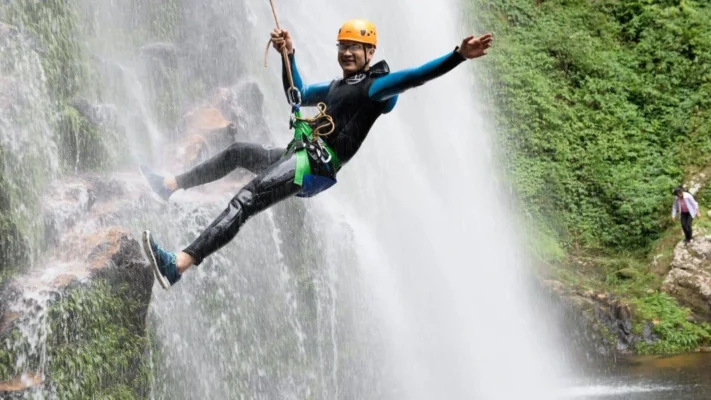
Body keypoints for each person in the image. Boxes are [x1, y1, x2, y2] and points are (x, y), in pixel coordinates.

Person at [140, 19, 494, 289]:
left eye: (356, 47)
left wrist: (458, 56)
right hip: (298, 155)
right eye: (343, 46)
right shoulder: (337, 86)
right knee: (237, 152)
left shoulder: (375, 87)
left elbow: (416, 76)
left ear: (371, 53)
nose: (347, 52)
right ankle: (170, 185)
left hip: (313, 166)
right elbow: (298, 93)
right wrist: (288, 54)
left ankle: (179, 265)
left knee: (245, 200)